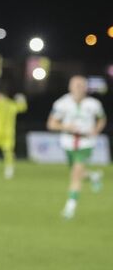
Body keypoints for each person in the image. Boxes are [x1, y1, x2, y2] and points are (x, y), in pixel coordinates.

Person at [46, 75, 106, 219]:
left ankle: (70, 208)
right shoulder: (61, 103)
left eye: (81, 85)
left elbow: (102, 119)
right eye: (76, 85)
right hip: (68, 143)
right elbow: (51, 124)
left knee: (75, 176)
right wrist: (65, 127)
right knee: (78, 172)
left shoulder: (94, 104)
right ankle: (93, 176)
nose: (79, 88)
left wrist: (96, 130)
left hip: (86, 144)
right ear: (70, 87)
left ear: (86, 88)